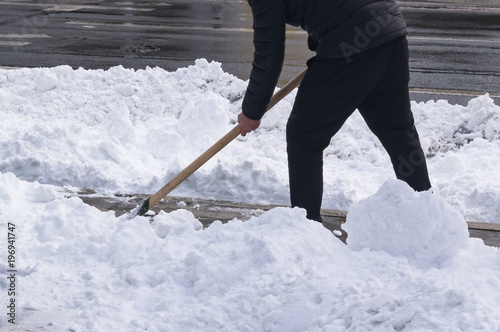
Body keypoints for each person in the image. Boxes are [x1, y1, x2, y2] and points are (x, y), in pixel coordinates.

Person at [238, 0, 432, 222]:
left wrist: (252, 112)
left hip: (353, 42)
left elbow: (269, 54)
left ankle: (305, 229)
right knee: (398, 132)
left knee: (304, 136)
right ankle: (426, 217)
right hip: (390, 31)